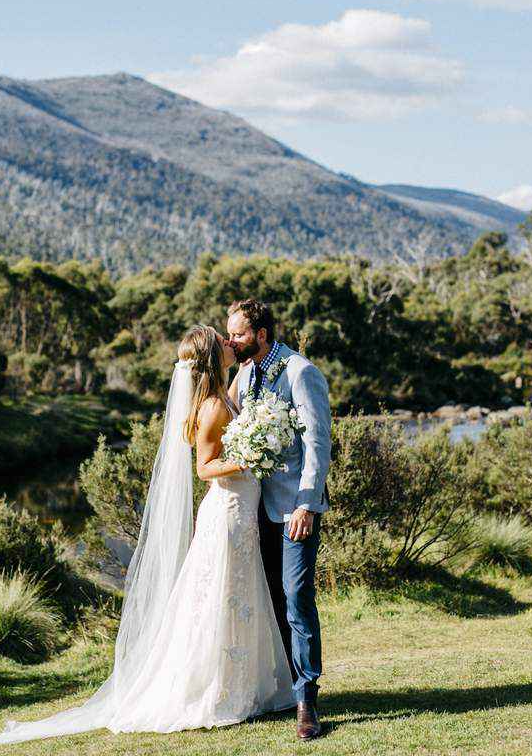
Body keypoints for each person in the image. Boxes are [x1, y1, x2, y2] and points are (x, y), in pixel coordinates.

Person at [0, 324, 296, 752]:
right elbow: (205, 468)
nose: (230, 344)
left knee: (235, 595)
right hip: (229, 512)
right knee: (221, 596)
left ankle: (243, 686)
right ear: (214, 357)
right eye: (223, 341)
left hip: (240, 514)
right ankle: (218, 691)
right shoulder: (213, 406)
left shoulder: (223, 394)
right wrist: (250, 458)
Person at [226, 299, 331, 741]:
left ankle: (307, 698)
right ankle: (285, 690)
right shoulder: (245, 374)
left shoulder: (299, 371)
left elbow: (317, 443)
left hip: (294, 508)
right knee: (269, 599)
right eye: (229, 335)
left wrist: (306, 504)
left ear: (262, 334)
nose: (232, 342)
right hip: (255, 508)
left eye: (238, 335)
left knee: (296, 596)